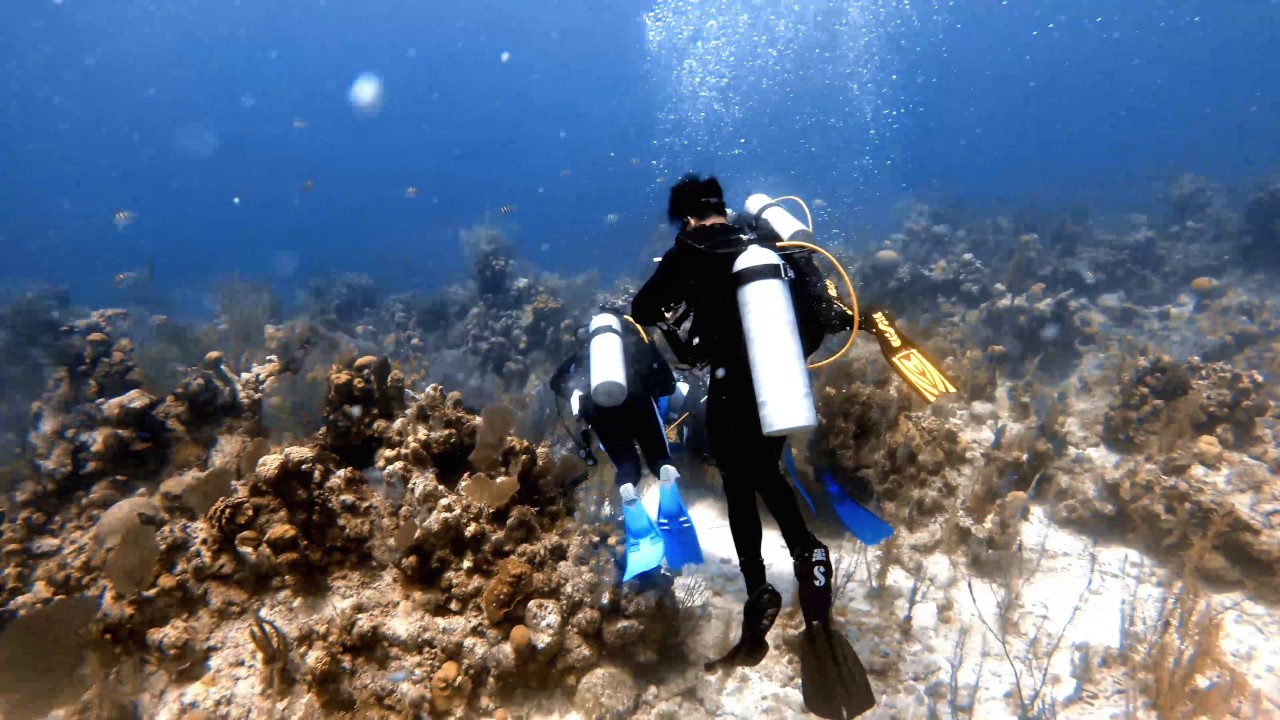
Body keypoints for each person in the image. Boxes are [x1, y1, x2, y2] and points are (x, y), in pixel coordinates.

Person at [632, 175, 874, 718]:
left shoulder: (691, 250)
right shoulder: (763, 246)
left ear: (687, 217)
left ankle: (759, 589)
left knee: (738, 485)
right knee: (769, 474)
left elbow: (644, 307)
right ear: (723, 209)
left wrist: (679, 263)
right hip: (781, 384)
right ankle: (809, 557)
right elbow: (825, 316)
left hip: (730, 387)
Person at [549, 308, 703, 580]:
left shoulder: (587, 352)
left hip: (598, 408)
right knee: (659, 458)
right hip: (639, 401)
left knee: (626, 464)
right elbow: (667, 384)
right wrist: (650, 390)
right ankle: (666, 482)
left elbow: (556, 382)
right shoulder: (638, 342)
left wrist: (578, 391)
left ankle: (629, 492)